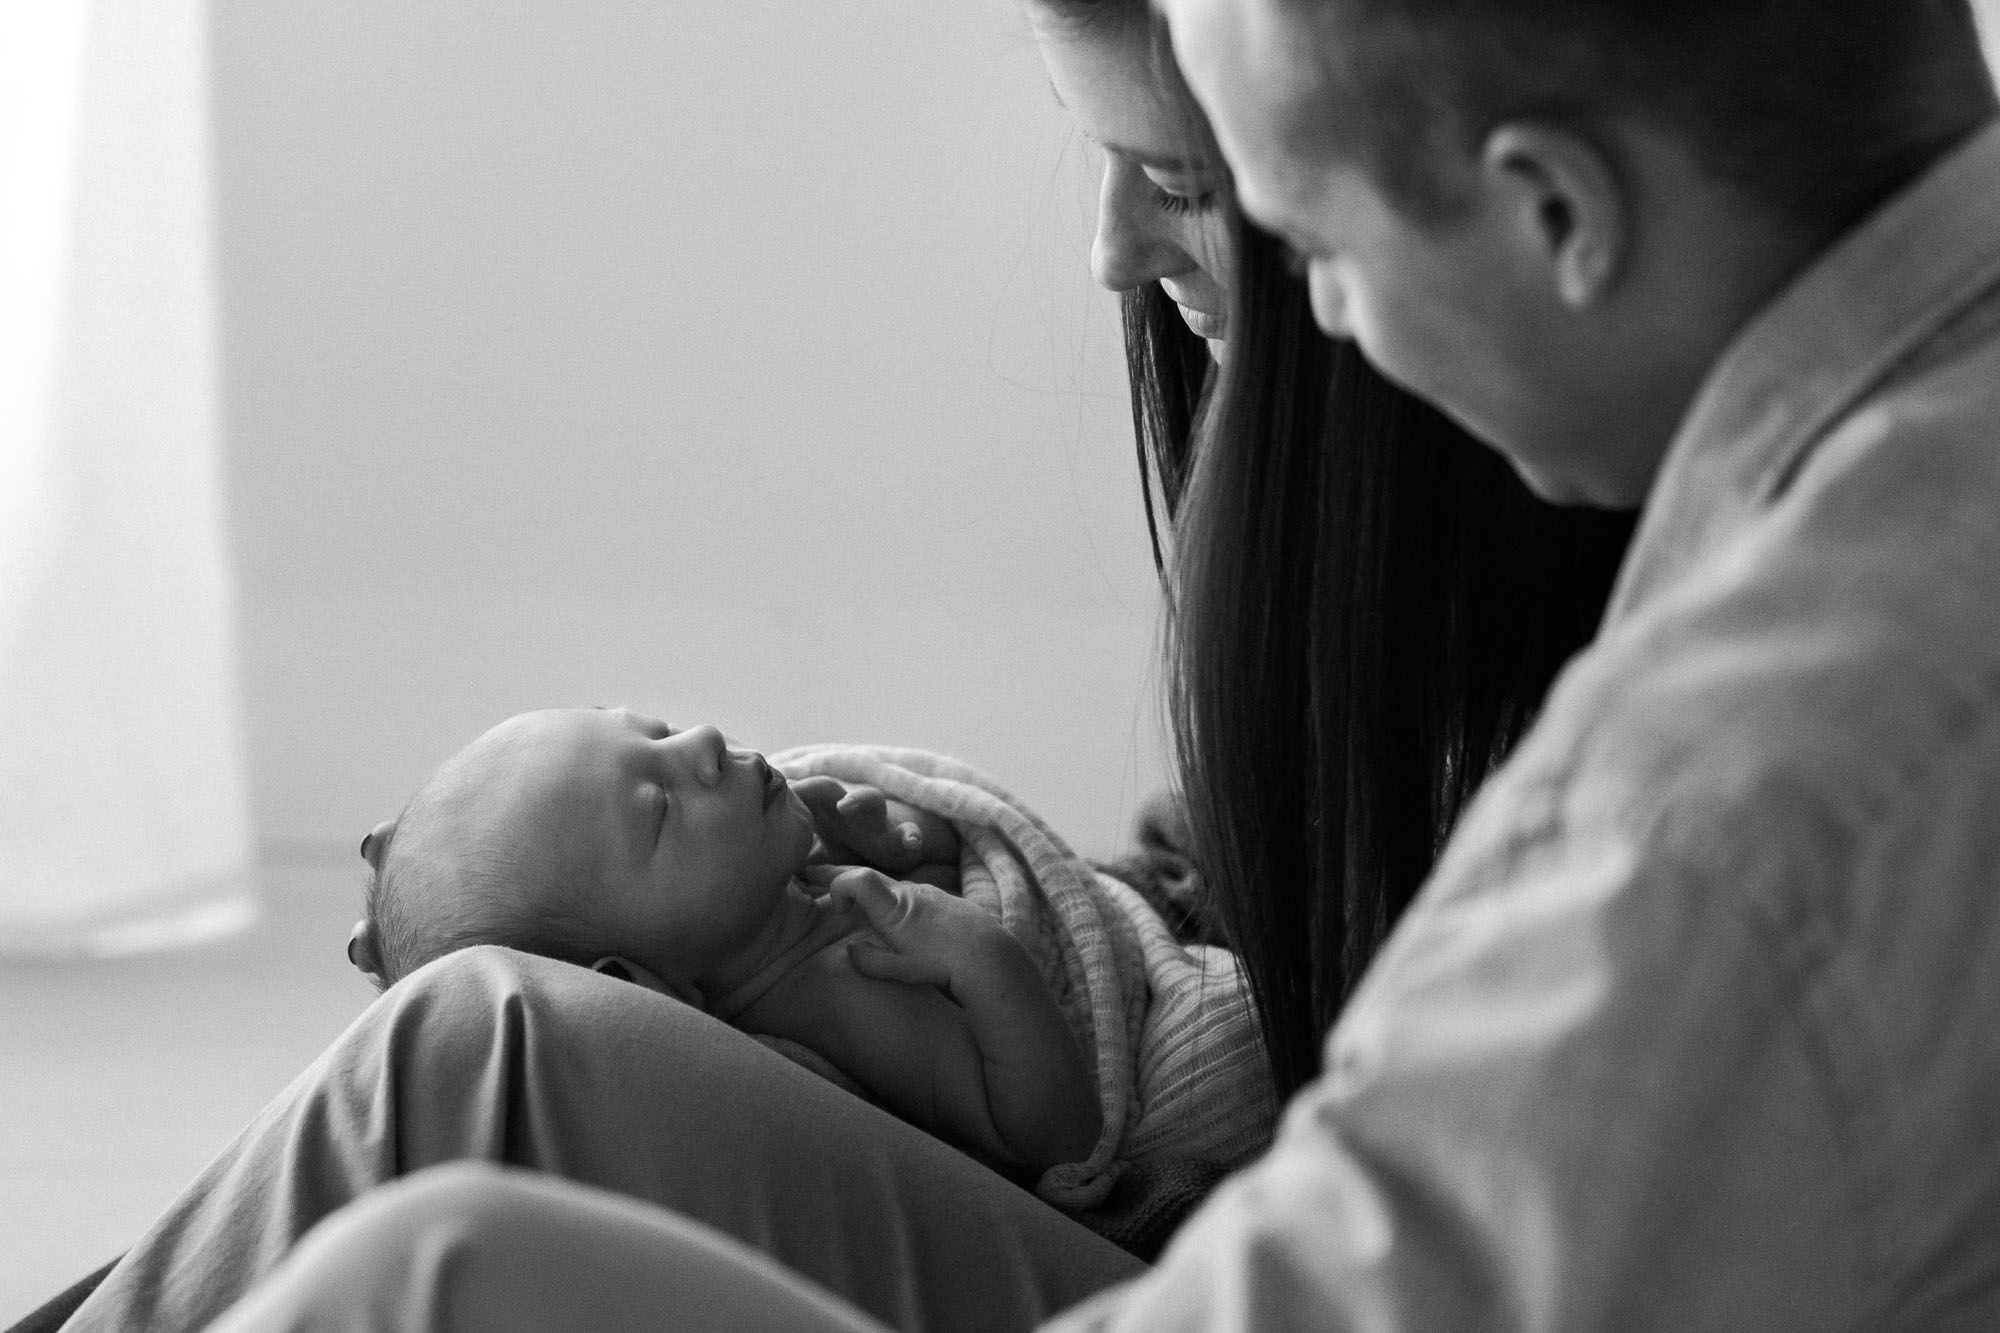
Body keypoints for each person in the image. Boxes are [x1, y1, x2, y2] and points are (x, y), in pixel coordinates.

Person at [46, 2, 1636, 1329]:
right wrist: (1034, 904)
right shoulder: (1437, 530)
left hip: (1270, 1264)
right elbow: (1249, 878)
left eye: (1177, 177)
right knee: (446, 1087)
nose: (1108, 250)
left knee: (477, 1064)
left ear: (1541, 194)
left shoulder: (1673, 656)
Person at [346, 708, 1100, 1175]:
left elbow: (957, 839)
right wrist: (984, 952)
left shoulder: (785, 871)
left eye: (658, 732)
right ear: (639, 986)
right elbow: (1048, 1132)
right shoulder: (839, 996)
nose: (703, 743)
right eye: (661, 806)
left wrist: (909, 836)